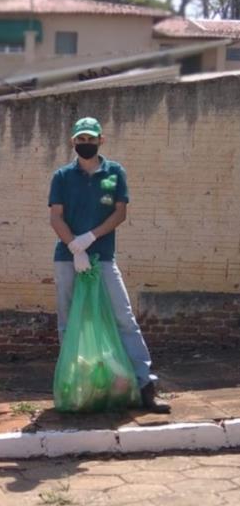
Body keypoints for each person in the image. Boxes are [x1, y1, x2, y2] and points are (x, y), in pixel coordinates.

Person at [48, 117, 170, 414]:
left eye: (90, 139)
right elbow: (56, 216)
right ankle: (75, 384)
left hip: (102, 256)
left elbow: (119, 213)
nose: (85, 144)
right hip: (69, 259)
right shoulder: (62, 176)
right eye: (80, 139)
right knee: (69, 323)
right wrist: (74, 247)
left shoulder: (115, 172)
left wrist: (90, 238)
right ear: (73, 142)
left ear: (101, 140)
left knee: (124, 318)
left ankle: (144, 386)